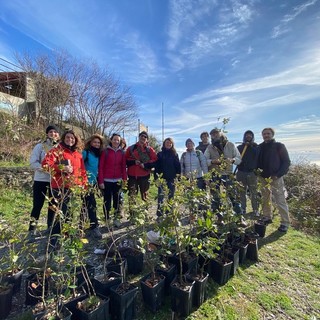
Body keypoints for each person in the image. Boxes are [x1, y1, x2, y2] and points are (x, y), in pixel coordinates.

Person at [42, 130, 87, 252]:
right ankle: (55, 240)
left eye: (72, 138)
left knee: (70, 212)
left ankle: (66, 235)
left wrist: (84, 184)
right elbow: (45, 164)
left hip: (74, 187)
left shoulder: (78, 154)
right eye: (68, 137)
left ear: (75, 140)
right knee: (61, 213)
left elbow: (82, 170)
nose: (70, 140)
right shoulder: (57, 150)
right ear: (63, 138)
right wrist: (61, 168)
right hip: (60, 186)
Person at [204, 128, 244, 224]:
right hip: (215, 174)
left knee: (233, 196)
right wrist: (213, 161)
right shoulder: (210, 147)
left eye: (216, 133)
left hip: (228, 174)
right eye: (212, 134)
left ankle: (239, 218)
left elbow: (239, 158)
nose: (214, 135)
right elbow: (205, 161)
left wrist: (232, 160)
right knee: (215, 197)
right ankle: (219, 218)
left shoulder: (230, 144)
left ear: (220, 133)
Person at [28, 125, 60, 240]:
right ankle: (32, 230)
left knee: (53, 205)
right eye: (50, 132)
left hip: (55, 181)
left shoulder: (60, 148)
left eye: (55, 132)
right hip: (40, 179)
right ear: (47, 134)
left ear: (58, 134)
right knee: (37, 205)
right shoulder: (40, 146)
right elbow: (33, 162)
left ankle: (50, 228)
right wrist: (45, 169)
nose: (53, 134)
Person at [257, 128, 291, 232]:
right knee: (265, 198)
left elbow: (286, 162)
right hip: (263, 177)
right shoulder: (260, 147)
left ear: (272, 134)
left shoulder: (279, 146)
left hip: (276, 177)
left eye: (268, 133)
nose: (266, 135)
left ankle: (285, 222)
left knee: (280, 199)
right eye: (264, 134)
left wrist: (278, 174)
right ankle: (267, 217)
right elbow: (257, 161)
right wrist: (258, 173)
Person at [98, 133, 127, 227]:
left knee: (117, 201)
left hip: (118, 180)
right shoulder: (105, 151)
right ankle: (107, 220)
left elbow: (123, 167)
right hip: (107, 181)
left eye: (118, 140)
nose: (116, 141)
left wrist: (124, 180)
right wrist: (101, 181)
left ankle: (116, 219)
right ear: (111, 140)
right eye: (114, 139)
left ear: (120, 141)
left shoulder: (122, 152)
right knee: (107, 201)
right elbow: (101, 167)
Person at [125, 131, 157, 213]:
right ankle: (132, 215)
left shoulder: (150, 150)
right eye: (142, 136)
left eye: (145, 137)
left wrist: (145, 165)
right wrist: (133, 162)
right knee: (132, 196)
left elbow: (155, 161)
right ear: (139, 137)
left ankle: (145, 213)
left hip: (144, 176)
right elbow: (125, 160)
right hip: (132, 176)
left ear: (147, 139)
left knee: (145, 196)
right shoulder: (131, 148)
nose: (143, 138)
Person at [82, 134, 104, 239]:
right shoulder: (86, 153)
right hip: (85, 183)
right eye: (95, 142)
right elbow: (80, 166)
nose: (97, 144)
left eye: (98, 143)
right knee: (92, 204)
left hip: (93, 182)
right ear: (90, 142)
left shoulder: (97, 154)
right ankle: (94, 226)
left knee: (85, 204)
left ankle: (81, 225)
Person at [154, 137, 181, 217]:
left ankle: (169, 213)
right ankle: (160, 214)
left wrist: (178, 177)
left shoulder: (175, 154)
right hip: (162, 179)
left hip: (172, 178)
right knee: (161, 197)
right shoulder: (160, 154)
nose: (168, 144)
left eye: (170, 143)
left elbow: (178, 166)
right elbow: (157, 167)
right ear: (164, 144)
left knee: (171, 196)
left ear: (172, 144)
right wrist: (156, 178)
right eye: (167, 143)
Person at [236, 130, 259, 216]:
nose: (248, 136)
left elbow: (258, 157)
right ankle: (243, 208)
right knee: (241, 192)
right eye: (247, 135)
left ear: (252, 137)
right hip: (241, 172)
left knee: (254, 192)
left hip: (252, 173)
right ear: (244, 137)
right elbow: (236, 158)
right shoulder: (239, 147)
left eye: (250, 135)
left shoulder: (256, 147)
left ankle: (255, 209)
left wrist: (251, 146)